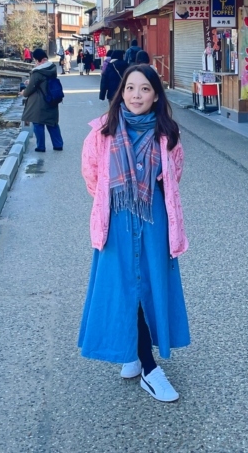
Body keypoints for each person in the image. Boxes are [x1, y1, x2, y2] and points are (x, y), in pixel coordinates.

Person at [79, 64, 190, 402]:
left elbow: (174, 176)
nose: (136, 95)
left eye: (144, 89)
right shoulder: (102, 132)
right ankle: (149, 367)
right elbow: (92, 175)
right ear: (121, 92)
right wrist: (121, 197)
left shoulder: (166, 134)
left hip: (154, 222)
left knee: (148, 287)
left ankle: (134, 354)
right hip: (117, 223)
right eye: (130, 88)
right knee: (126, 288)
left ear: (156, 94)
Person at [21, 48, 64, 152]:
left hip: (39, 103)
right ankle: (58, 145)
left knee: (38, 123)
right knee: (52, 124)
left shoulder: (37, 72)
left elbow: (30, 89)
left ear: (38, 60)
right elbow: (43, 82)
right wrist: (30, 81)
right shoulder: (51, 68)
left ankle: (41, 146)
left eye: (35, 60)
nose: (35, 62)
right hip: (52, 100)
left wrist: (23, 92)